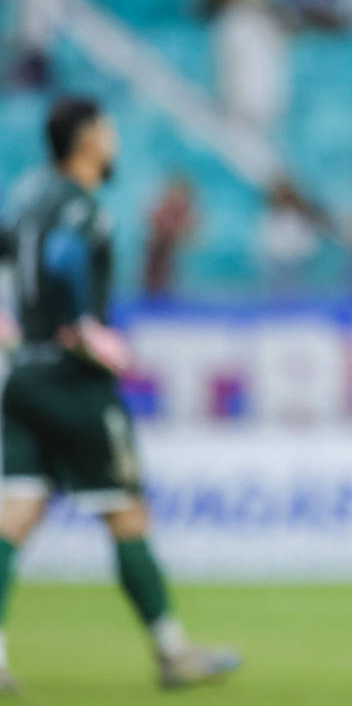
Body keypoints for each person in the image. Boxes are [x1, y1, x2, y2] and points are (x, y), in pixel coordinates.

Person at [0, 97, 241, 692]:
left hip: (23, 374)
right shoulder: (84, 207)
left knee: (14, 516)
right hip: (74, 379)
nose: (113, 139)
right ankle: (172, 653)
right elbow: (64, 258)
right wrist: (87, 330)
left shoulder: (26, 198)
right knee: (126, 512)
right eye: (107, 130)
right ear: (86, 138)